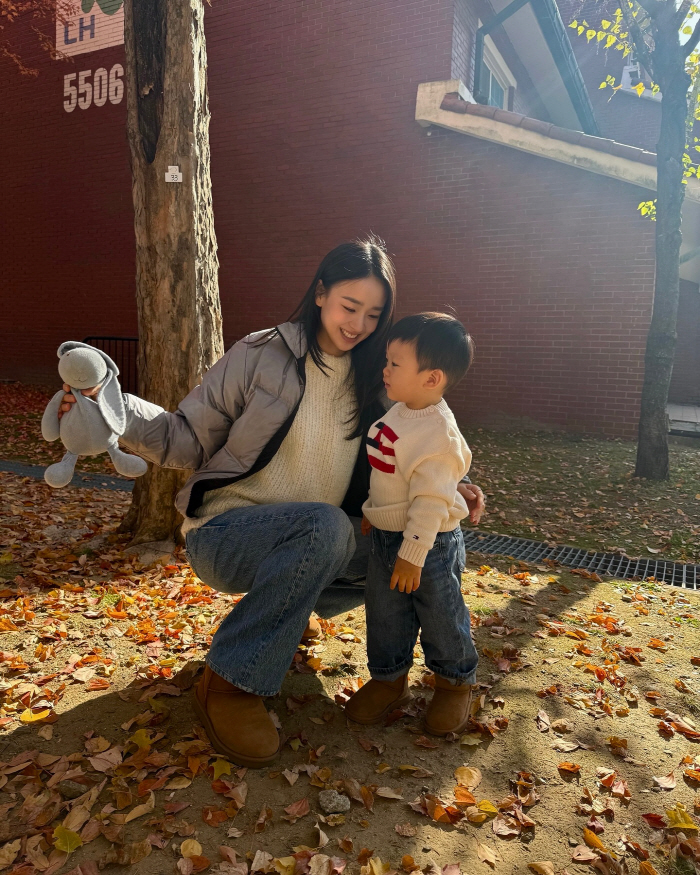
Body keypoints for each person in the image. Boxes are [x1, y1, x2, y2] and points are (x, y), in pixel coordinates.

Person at [57, 238, 485, 768]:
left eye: (373, 315)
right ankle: (229, 682)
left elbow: (417, 447)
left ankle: (438, 676)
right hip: (228, 533)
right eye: (349, 307)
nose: (358, 325)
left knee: (430, 539)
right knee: (325, 526)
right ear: (321, 292)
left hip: (317, 544)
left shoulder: (378, 378)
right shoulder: (261, 354)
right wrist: (113, 410)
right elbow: (186, 434)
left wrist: (449, 488)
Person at [345, 313, 479, 736]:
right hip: (387, 538)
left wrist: (413, 553)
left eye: (395, 363)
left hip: (430, 545)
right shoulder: (400, 412)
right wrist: (373, 512)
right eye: (387, 360)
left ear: (431, 377)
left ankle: (454, 682)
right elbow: (386, 474)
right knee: (386, 614)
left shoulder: (438, 433)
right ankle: (389, 678)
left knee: (441, 614)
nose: (385, 369)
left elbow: (431, 500)